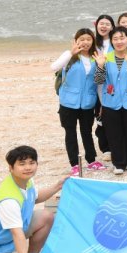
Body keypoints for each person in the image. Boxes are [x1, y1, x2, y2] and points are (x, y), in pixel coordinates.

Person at [94, 26, 127, 175]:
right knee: (114, 134)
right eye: (115, 39)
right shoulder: (106, 57)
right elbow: (99, 80)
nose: (119, 41)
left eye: (122, 38)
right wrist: (100, 65)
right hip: (111, 101)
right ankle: (119, 163)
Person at [51, 28, 102, 175]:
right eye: (82, 39)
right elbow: (53, 67)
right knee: (70, 132)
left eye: (88, 39)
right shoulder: (69, 56)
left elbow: (99, 83)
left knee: (87, 132)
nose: (85, 42)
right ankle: (74, 164)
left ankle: (91, 161)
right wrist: (70, 53)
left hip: (88, 102)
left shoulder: (96, 57)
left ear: (93, 41)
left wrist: (102, 103)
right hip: (68, 102)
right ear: (76, 40)